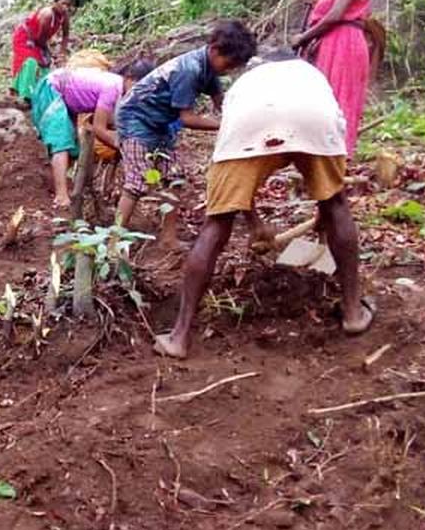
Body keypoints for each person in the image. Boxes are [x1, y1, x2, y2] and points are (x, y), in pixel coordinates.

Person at [153, 52, 370, 358]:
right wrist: (323, 209)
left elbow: (237, 183)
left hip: (248, 121)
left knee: (217, 222)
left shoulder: (245, 84)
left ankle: (179, 337)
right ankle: (352, 313)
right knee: (336, 203)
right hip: (314, 116)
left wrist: (251, 219)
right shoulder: (310, 75)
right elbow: (330, 182)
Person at [115, 20, 257, 234]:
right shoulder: (189, 70)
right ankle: (114, 242)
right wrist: (225, 125)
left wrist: (240, 119)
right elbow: (187, 118)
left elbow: (221, 102)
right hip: (135, 120)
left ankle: (168, 237)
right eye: (229, 64)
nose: (229, 70)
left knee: (174, 179)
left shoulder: (209, 69)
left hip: (159, 123)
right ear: (215, 49)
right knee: (137, 183)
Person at [290, 0, 376, 156]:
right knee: (326, 100)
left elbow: (337, 14)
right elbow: (338, 7)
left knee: (337, 100)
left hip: (344, 44)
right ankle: (321, 156)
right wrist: (317, 1)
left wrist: (304, 37)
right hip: (334, 42)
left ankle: (334, 158)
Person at [31, 56, 155, 207]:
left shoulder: (120, 91)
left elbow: (112, 122)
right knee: (61, 141)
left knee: (72, 146)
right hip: (52, 87)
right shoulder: (112, 88)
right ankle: (61, 196)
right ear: (129, 78)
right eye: (138, 86)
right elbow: (99, 128)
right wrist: (124, 146)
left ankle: (61, 185)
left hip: (67, 96)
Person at [11, 0, 75, 102]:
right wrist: (50, 54)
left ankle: (39, 94)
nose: (65, 7)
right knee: (32, 62)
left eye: (68, 5)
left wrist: (62, 54)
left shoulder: (64, 16)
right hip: (26, 37)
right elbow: (40, 41)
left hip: (39, 40)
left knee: (45, 67)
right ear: (55, 2)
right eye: (63, 3)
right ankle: (23, 94)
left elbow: (66, 35)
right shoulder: (47, 15)